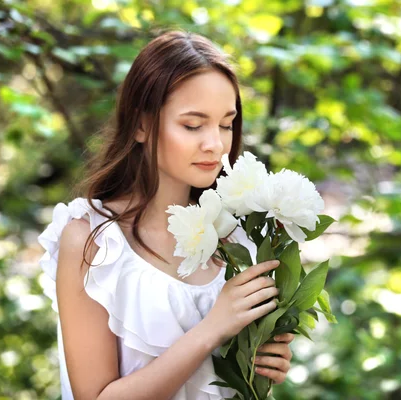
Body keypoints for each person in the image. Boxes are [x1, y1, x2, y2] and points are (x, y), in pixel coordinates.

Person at [38, 30, 295, 400]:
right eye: (193, 125)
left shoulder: (238, 238)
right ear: (141, 124)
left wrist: (266, 359)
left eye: (226, 124)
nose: (215, 144)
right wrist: (212, 329)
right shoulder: (94, 241)